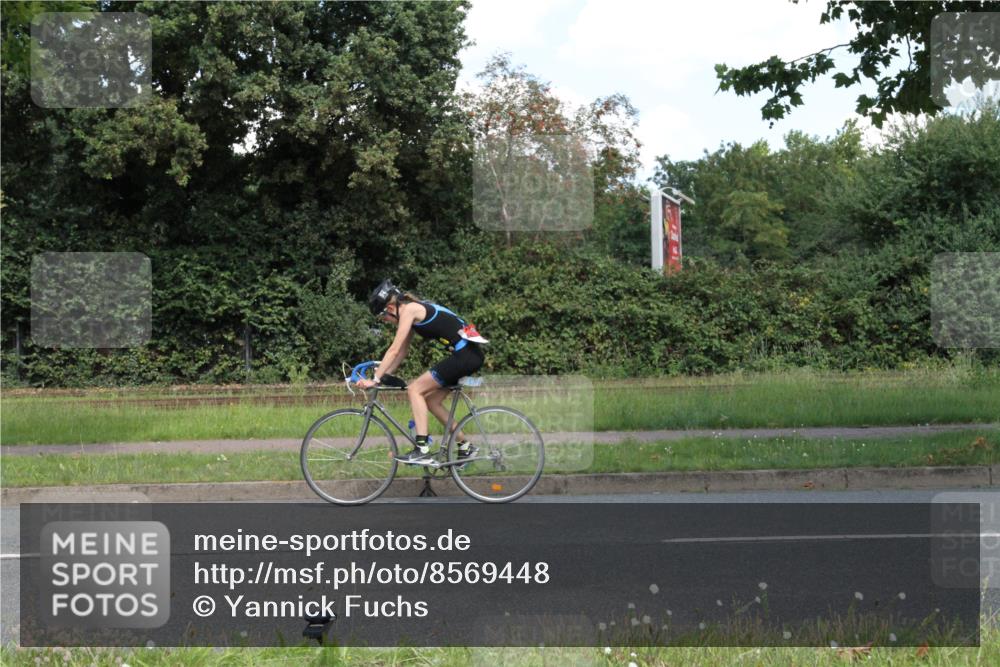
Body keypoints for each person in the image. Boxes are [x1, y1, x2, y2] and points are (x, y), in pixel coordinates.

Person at [357, 279, 488, 464]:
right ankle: (466, 447)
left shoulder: (410, 310)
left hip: (465, 356)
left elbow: (393, 349)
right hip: (468, 356)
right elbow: (402, 351)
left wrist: (375, 379)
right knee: (431, 401)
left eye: (383, 317)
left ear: (391, 308)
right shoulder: (410, 313)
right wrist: (386, 374)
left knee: (414, 389)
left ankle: (422, 449)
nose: (385, 321)